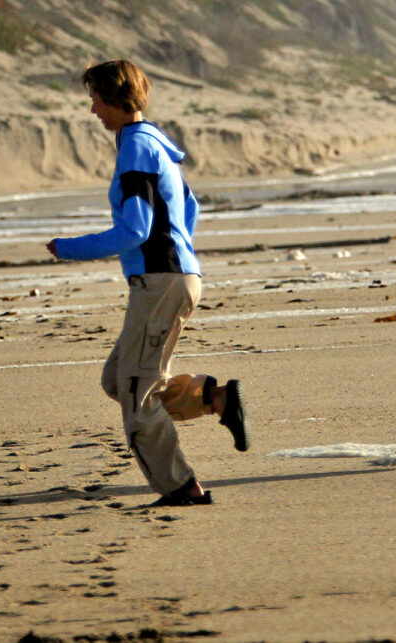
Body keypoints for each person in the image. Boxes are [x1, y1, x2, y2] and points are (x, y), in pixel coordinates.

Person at [45, 59, 248, 506]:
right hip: (173, 277)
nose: (92, 108)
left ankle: (182, 488)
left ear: (116, 98)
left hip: (160, 282)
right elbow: (190, 208)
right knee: (119, 383)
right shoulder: (154, 142)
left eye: (96, 98)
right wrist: (177, 255)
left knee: (136, 391)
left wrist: (70, 247)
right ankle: (214, 398)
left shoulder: (136, 148)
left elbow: (136, 228)